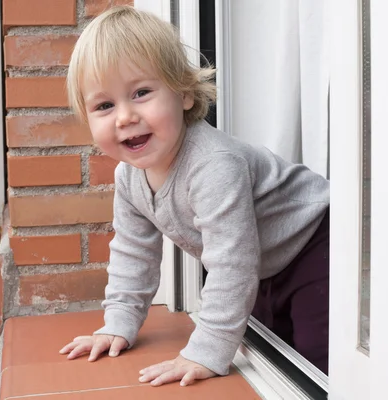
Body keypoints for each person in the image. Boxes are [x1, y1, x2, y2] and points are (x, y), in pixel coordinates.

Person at [58, 5, 331, 387]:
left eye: (141, 93)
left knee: (316, 355)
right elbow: (133, 252)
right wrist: (117, 324)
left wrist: (207, 349)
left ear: (184, 94)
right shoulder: (129, 178)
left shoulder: (212, 164)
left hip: (313, 243)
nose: (124, 117)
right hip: (264, 260)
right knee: (276, 349)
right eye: (105, 105)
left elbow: (232, 262)